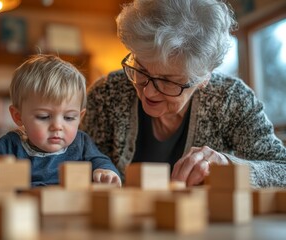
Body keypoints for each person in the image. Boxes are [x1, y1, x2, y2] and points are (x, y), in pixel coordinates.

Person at [81, 0, 286, 188]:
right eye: (141, 69)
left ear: (203, 79)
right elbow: (70, 163)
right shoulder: (106, 94)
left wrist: (227, 164)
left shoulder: (230, 99)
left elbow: (281, 169)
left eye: (168, 81)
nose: (148, 91)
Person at [0, 54, 121, 188]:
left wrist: (107, 173)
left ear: (80, 117)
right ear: (18, 116)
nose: (57, 126)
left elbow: (102, 162)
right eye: (43, 116)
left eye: (69, 117)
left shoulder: (81, 144)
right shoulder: (10, 146)